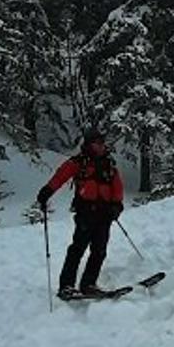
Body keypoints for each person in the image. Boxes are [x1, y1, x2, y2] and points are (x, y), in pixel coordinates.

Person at [37, 126, 124, 299]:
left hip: (105, 214)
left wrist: (117, 205)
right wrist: (47, 191)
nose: (101, 145)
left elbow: (117, 186)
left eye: (102, 142)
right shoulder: (78, 162)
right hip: (86, 213)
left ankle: (88, 284)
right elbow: (60, 176)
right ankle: (66, 286)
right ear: (89, 144)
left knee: (99, 251)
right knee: (77, 249)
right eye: (97, 142)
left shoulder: (109, 164)